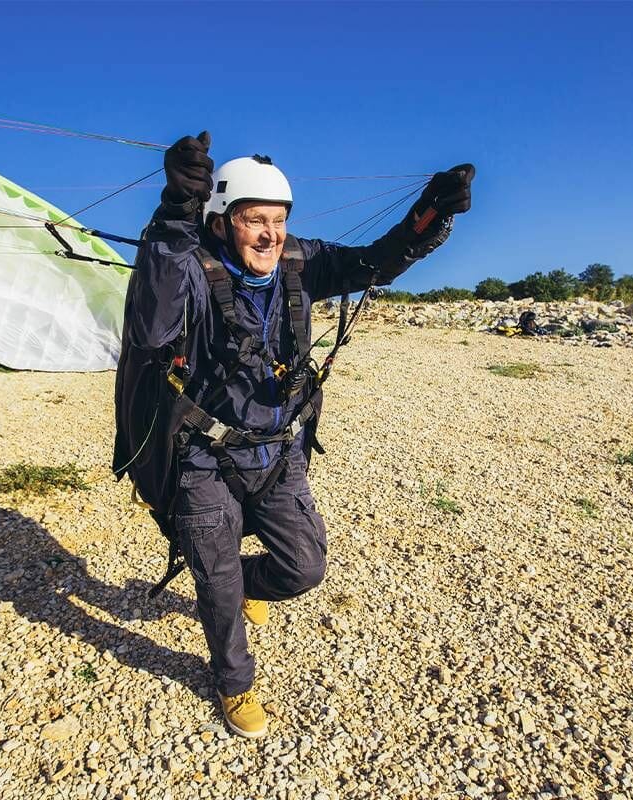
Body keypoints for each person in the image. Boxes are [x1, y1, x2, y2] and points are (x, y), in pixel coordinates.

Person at [113, 131, 473, 738]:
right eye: (254, 220)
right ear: (221, 221)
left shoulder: (299, 264)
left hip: (279, 452)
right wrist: (174, 213)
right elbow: (151, 326)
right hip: (203, 457)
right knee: (218, 584)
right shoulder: (188, 267)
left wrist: (429, 215)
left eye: (278, 220)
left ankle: (232, 580)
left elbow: (376, 262)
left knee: (303, 568)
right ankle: (233, 681)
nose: (270, 235)